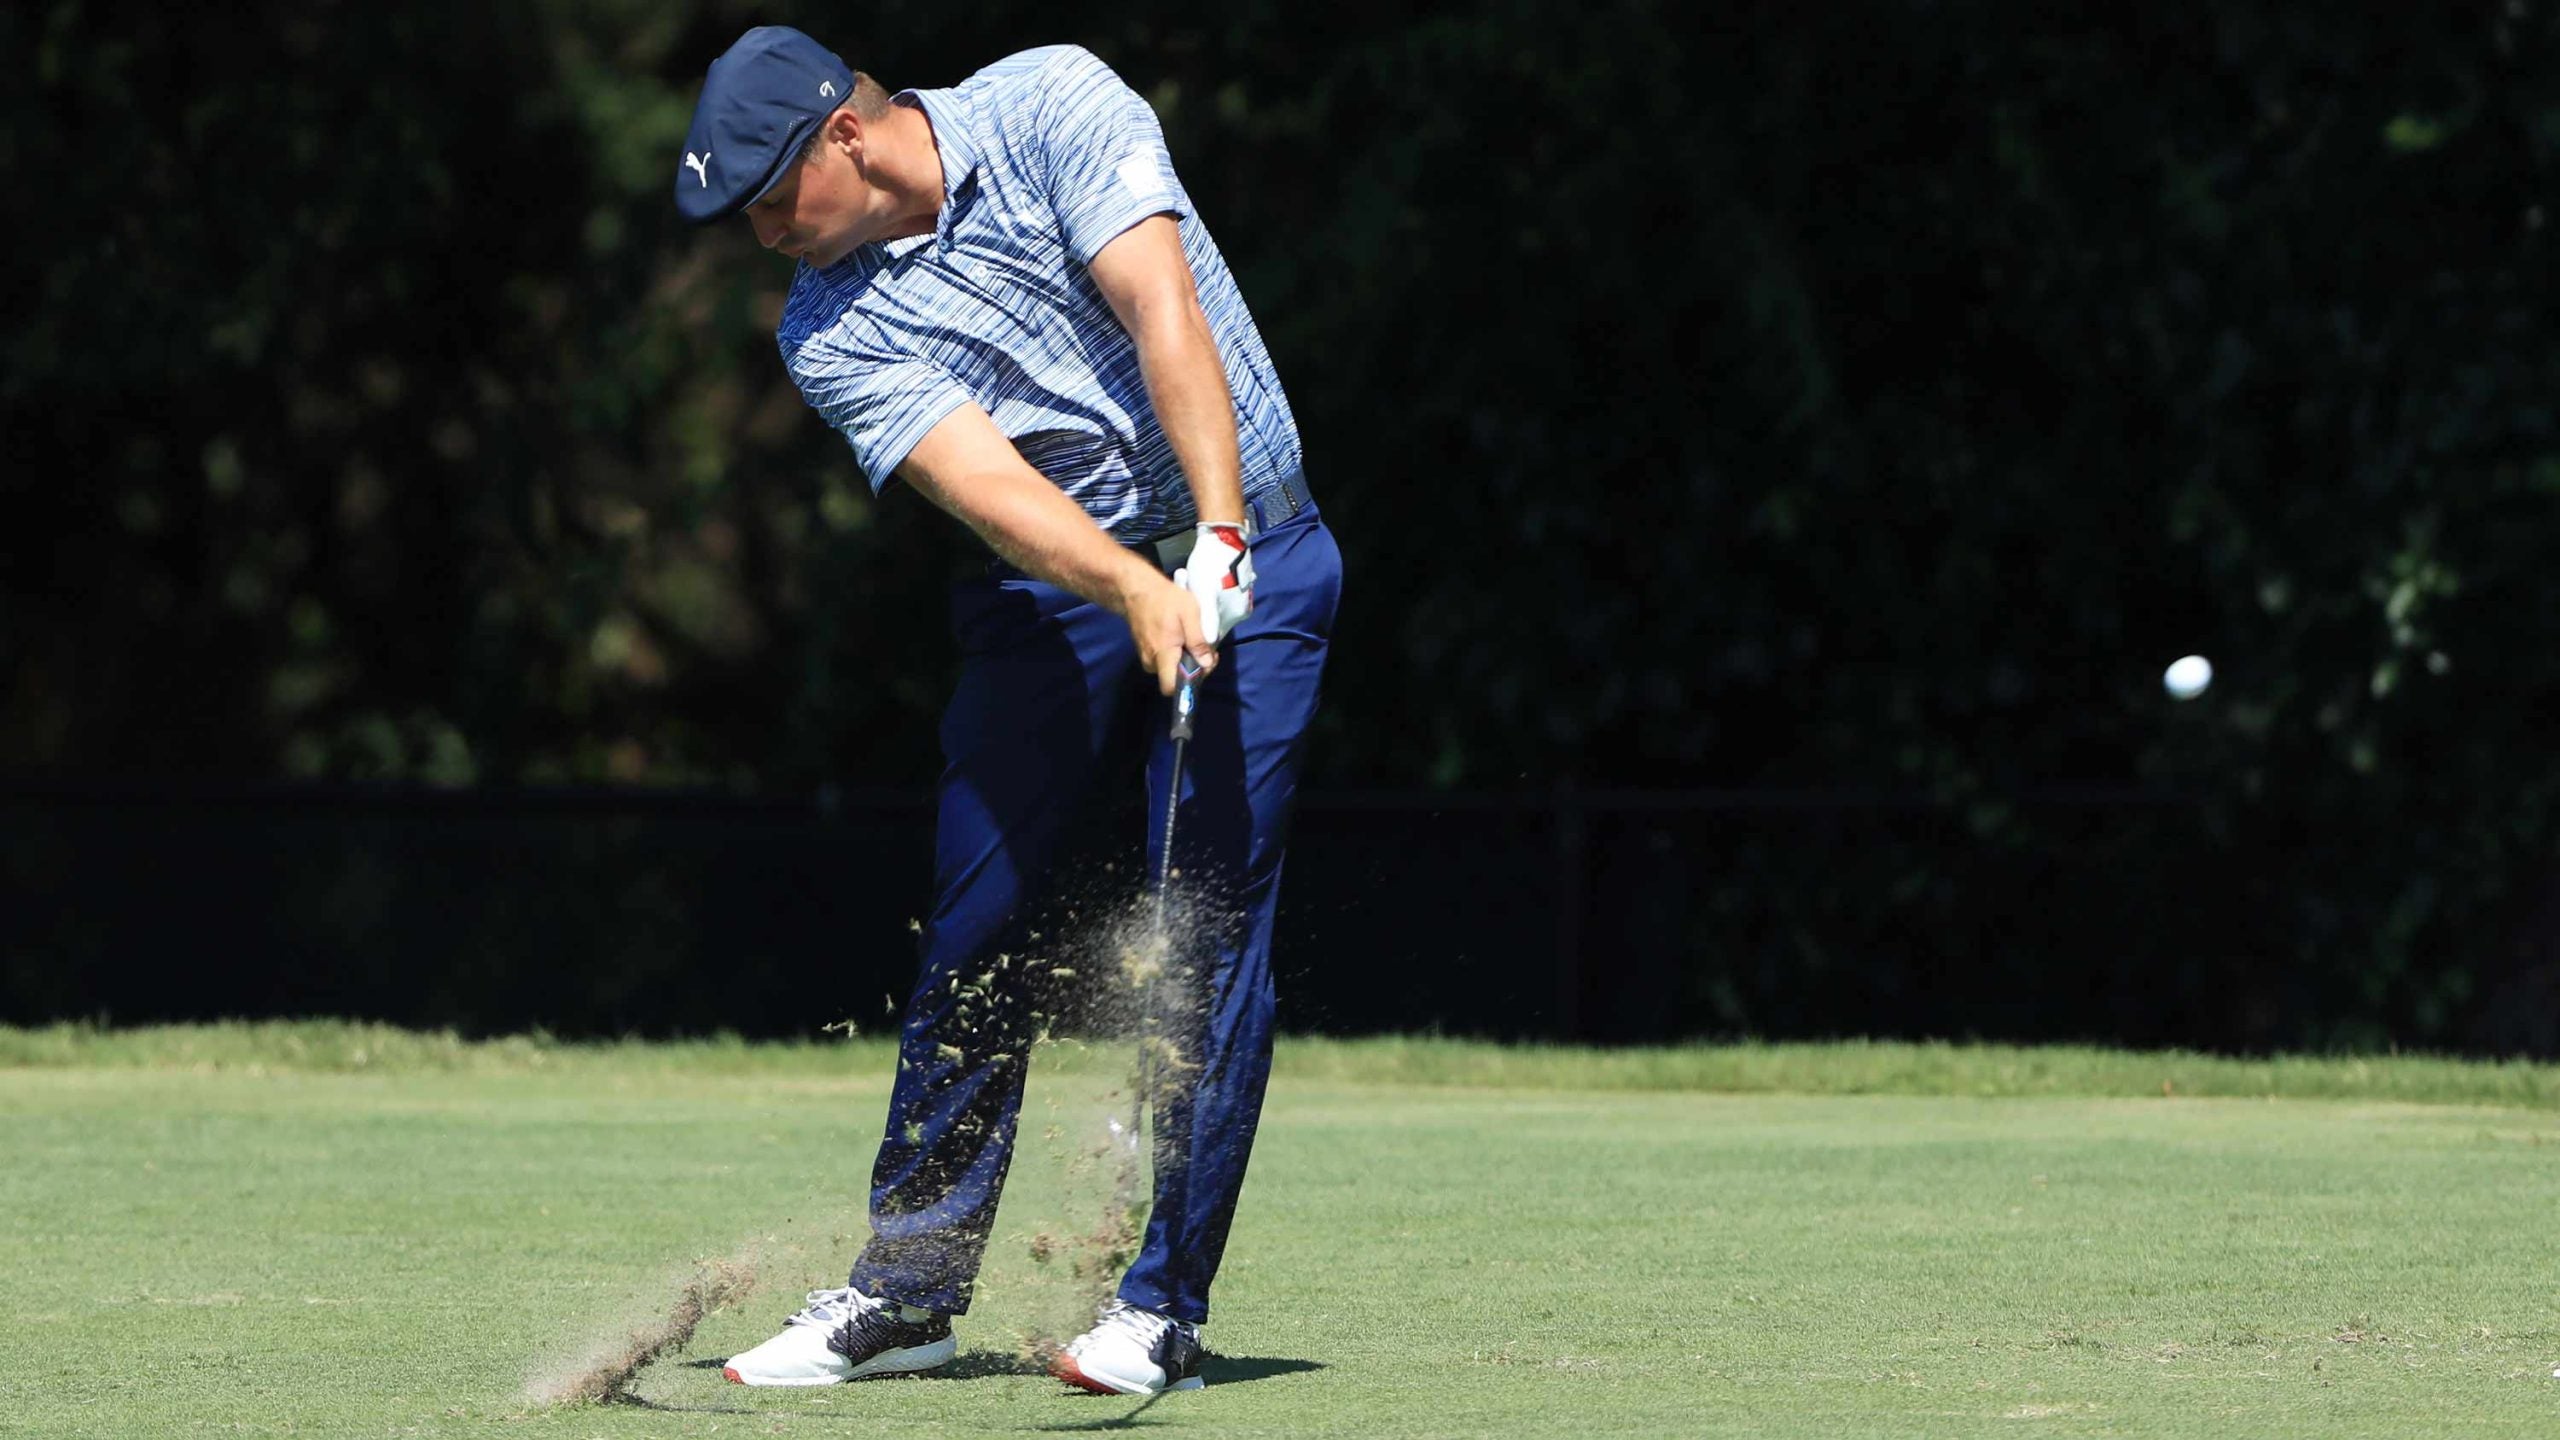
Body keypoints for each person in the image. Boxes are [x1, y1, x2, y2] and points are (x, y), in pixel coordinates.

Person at [671, 28, 1340, 1398]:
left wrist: (1212, 544)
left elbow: (1165, 309)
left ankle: (1160, 1310)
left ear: (843, 137)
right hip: (1062, 594)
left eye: (766, 201)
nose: (760, 237)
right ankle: (910, 1294)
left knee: (1202, 924)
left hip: (1252, 551)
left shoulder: (1051, 102)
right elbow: (993, 492)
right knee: (976, 920)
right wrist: (1138, 590)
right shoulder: (825, 327)